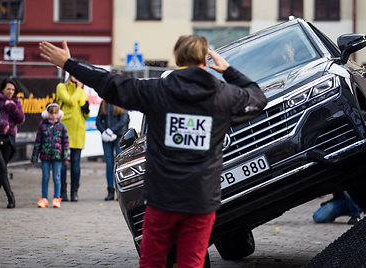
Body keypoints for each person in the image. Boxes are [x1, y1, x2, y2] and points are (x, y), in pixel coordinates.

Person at [39, 35, 267, 267]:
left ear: (177, 60)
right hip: (201, 198)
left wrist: (69, 63)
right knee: (192, 262)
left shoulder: (156, 90)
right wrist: (228, 70)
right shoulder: (224, 95)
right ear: (206, 62)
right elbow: (258, 98)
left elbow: (109, 83)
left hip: (162, 197)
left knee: (152, 261)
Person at [0, 78, 25, 209]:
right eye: (8, 89)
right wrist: (2, 125)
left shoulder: (16, 101)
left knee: (1, 170)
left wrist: (12, 107)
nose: (10, 91)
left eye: (13, 89)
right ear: (2, 89)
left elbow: (21, 119)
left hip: (9, 139)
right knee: (2, 168)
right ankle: (11, 197)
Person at [56, 75, 89, 202]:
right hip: (64, 129)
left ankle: (74, 192)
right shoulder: (61, 87)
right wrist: (79, 89)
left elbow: (85, 114)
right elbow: (70, 101)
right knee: (64, 164)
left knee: (76, 164)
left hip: (78, 131)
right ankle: (62, 192)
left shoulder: (82, 92)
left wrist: (86, 111)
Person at [31, 103, 70, 208]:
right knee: (45, 177)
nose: (53, 115)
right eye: (51, 113)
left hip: (58, 157)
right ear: (47, 114)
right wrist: (34, 157)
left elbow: (66, 143)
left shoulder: (62, 127)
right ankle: (44, 198)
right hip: (45, 156)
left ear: (59, 114)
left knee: (57, 177)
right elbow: (38, 142)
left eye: (56, 113)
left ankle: (56, 198)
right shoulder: (42, 126)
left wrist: (66, 156)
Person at [96, 100, 129, 201]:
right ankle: (110, 190)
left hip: (119, 136)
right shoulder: (104, 103)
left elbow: (124, 119)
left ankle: (121, 189)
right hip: (107, 138)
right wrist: (104, 132)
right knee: (109, 163)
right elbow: (98, 120)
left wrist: (112, 130)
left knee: (120, 164)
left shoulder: (121, 100)